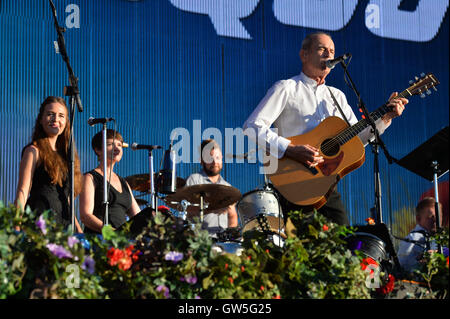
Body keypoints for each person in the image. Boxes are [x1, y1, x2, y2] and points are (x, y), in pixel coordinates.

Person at [243, 31, 408, 225]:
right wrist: (291, 149)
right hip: (292, 182)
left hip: (325, 185)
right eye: (322, 49)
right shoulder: (286, 88)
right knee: (301, 249)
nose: (329, 55)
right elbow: (252, 126)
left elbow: (358, 139)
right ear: (304, 55)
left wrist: (386, 117)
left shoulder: (336, 96)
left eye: (332, 51)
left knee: (344, 244)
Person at [14, 96, 83, 232]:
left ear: (67, 122)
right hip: (40, 223)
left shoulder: (67, 158)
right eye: (50, 114)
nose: (56, 119)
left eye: (61, 116)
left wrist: (79, 232)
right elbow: (22, 192)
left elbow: (66, 199)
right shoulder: (33, 151)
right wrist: (16, 228)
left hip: (64, 226)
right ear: (41, 119)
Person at [79, 129, 140, 233]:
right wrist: (112, 233)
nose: (117, 148)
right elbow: (86, 216)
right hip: (99, 240)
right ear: (98, 150)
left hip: (121, 243)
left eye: (119, 145)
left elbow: (138, 217)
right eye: (110, 144)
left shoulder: (124, 183)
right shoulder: (90, 177)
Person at [185, 139, 239, 236]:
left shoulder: (227, 187)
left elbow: (232, 216)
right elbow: (187, 210)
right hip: (201, 240)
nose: (215, 162)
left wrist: (231, 237)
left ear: (222, 158)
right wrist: (213, 209)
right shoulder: (194, 180)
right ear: (201, 161)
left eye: (217, 157)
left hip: (223, 243)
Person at [397, 197, 442, 273]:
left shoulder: (442, 238)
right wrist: (421, 262)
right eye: (431, 217)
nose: (436, 220)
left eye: (439, 216)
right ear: (418, 219)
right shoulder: (412, 239)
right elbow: (402, 266)